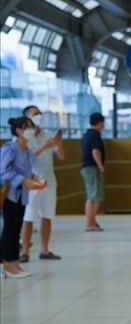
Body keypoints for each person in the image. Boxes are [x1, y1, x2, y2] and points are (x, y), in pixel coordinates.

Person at [1, 117, 47, 278]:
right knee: (10, 229)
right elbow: (3, 172)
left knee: (15, 229)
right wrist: (23, 180)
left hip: (22, 195)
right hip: (10, 194)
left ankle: (14, 262)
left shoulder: (27, 151)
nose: (31, 130)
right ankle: (7, 264)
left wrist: (35, 179)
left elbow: (28, 171)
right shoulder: (10, 148)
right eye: (28, 127)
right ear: (19, 130)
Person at [20, 105, 65, 262]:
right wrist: (45, 146)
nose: (39, 116)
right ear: (27, 118)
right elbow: (26, 159)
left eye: (40, 113)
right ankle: (24, 251)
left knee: (47, 216)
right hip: (32, 183)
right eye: (35, 114)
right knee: (29, 217)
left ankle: (44, 250)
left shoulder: (47, 134)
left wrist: (58, 143)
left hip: (49, 181)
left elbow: (61, 156)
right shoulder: (24, 137)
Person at [80, 112, 105, 232]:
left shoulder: (86, 135)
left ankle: (92, 221)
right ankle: (89, 223)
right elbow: (95, 151)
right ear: (100, 123)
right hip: (92, 167)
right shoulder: (95, 136)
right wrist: (100, 165)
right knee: (93, 196)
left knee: (94, 195)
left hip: (86, 168)